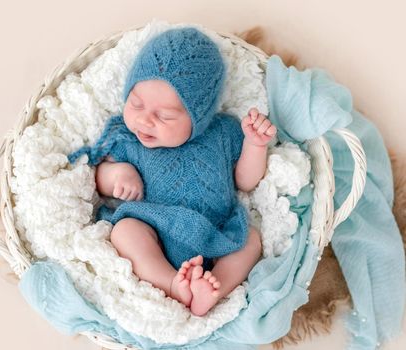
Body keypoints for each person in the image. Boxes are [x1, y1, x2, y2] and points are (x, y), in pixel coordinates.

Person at [68, 27, 277, 316]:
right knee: (125, 232)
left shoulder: (224, 132)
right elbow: (98, 178)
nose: (144, 120)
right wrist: (117, 174)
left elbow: (246, 181)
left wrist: (255, 145)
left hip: (216, 233)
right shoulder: (127, 139)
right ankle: (172, 285)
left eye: (164, 115)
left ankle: (215, 287)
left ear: (199, 116)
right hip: (155, 228)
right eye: (136, 103)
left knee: (250, 239)